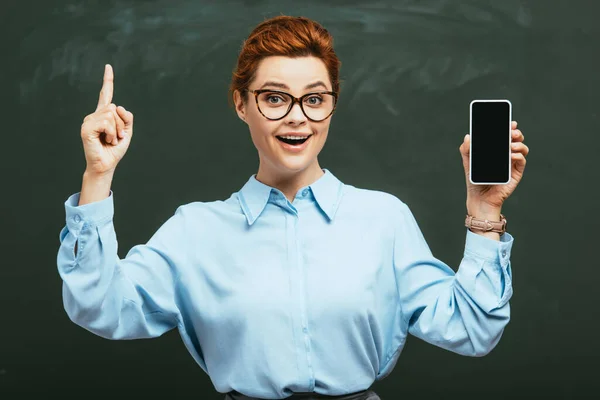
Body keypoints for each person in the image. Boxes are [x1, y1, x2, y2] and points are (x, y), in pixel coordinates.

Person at [56, 15, 529, 400]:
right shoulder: (194, 230)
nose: (297, 116)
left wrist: (484, 211)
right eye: (275, 98)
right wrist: (97, 176)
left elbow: (472, 330)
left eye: (315, 99)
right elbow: (100, 307)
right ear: (242, 104)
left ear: (332, 106)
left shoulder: (384, 219)